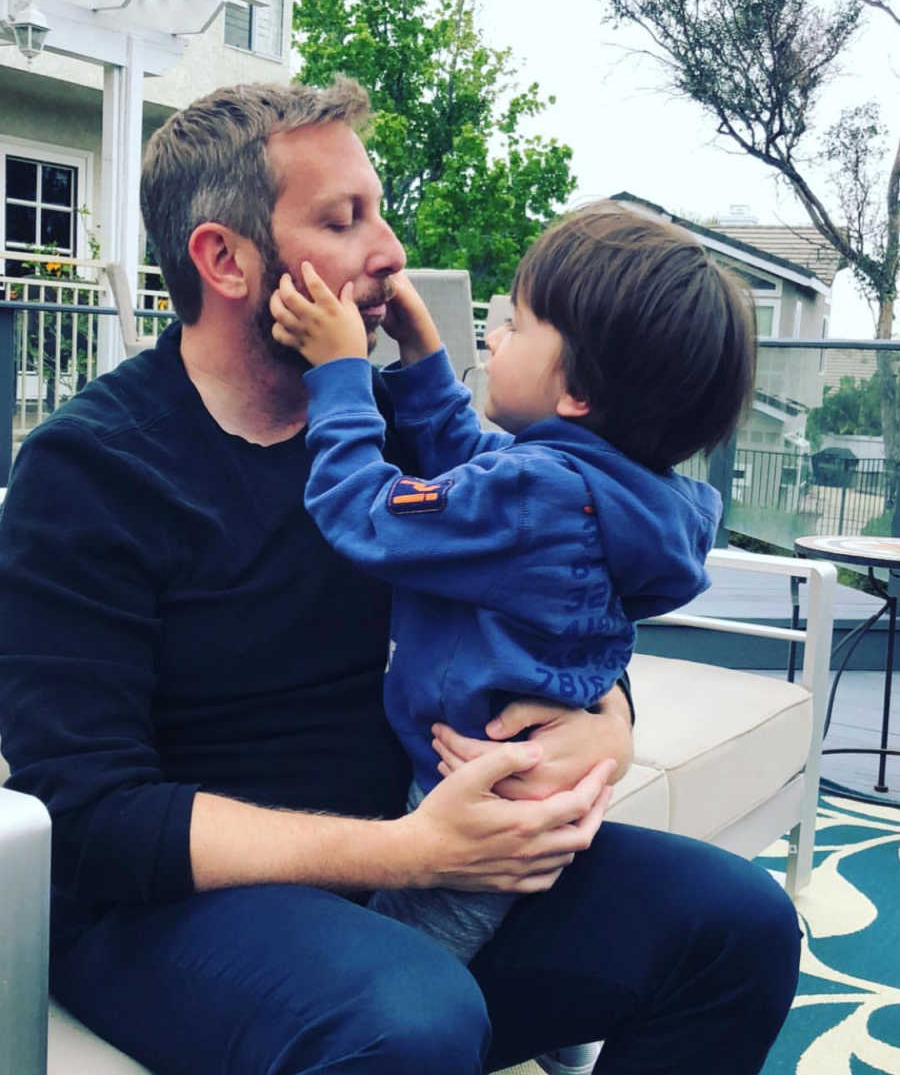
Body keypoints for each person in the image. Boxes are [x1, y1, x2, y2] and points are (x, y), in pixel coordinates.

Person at [0, 77, 801, 1075]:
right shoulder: (93, 469)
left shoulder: (397, 425)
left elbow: (554, 584)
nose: (389, 251)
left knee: (739, 925)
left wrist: (603, 719)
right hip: (174, 911)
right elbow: (85, 815)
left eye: (380, 211)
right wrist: (413, 853)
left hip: (407, 870)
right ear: (226, 259)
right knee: (409, 1018)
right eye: (344, 220)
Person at [266, 198, 752, 967]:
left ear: (578, 395)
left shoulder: (540, 494)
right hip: (522, 783)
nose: (494, 340)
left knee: (398, 967)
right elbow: (471, 473)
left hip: (472, 801)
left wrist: (340, 377)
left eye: (517, 326)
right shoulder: (609, 488)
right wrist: (424, 354)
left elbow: (367, 512)